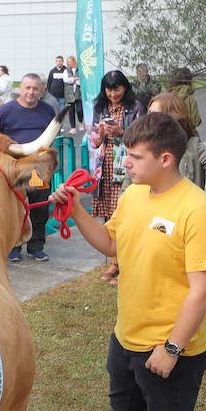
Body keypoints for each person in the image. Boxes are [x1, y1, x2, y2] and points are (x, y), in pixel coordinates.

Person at [52, 111, 206, 411]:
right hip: (125, 334)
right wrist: (77, 210)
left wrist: (172, 347)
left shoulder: (196, 209)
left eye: (134, 155)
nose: (124, 163)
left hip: (168, 347)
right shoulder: (133, 195)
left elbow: (202, 289)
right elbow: (112, 244)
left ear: (166, 158)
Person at [0, 74, 57, 262]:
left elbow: (51, 135)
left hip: (39, 169)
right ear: (20, 89)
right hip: (14, 169)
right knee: (15, 209)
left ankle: (36, 246)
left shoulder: (48, 110)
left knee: (40, 208)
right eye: (27, 88)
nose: (31, 92)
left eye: (35, 89)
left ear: (41, 90)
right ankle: (14, 247)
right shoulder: (5, 111)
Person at [88, 70, 143, 284]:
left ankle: (126, 263)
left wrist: (121, 132)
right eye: (109, 90)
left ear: (125, 88)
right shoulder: (100, 108)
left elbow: (142, 139)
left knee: (127, 215)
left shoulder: (135, 108)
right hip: (105, 169)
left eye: (117, 89)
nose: (113, 94)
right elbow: (93, 141)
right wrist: (101, 134)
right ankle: (115, 261)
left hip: (126, 167)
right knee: (110, 218)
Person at [148, 92, 206, 190]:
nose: (147, 120)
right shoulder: (143, 149)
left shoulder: (193, 146)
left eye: (155, 115)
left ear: (173, 118)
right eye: (148, 113)